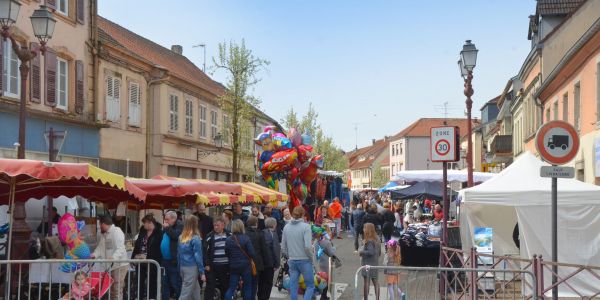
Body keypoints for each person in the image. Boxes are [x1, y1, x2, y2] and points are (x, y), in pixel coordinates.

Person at [282, 206, 315, 300]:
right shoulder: (306, 227)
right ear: (303, 215)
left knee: (293, 286)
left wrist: (289, 256)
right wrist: (311, 257)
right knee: (310, 286)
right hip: (305, 260)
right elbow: (308, 246)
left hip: (292, 259)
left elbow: (283, 247)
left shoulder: (286, 227)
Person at [92, 215, 128, 300]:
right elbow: (100, 248)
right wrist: (94, 255)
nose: (99, 227)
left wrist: (114, 257)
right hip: (111, 266)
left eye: (100, 224)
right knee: (112, 290)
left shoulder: (116, 231)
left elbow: (121, 247)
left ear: (103, 224)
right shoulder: (104, 235)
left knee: (116, 290)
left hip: (119, 265)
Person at [131, 214, 162, 300]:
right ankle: (139, 297)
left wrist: (147, 256)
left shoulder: (159, 233)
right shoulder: (142, 232)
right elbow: (137, 246)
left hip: (153, 262)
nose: (143, 225)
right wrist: (133, 257)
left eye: (144, 223)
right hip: (140, 262)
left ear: (150, 223)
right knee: (139, 281)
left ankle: (152, 297)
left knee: (152, 281)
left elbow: (158, 249)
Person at [224, 220, 255, 300]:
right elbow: (252, 253)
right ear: (242, 227)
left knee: (231, 288)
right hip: (245, 267)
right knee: (247, 287)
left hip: (233, 266)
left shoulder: (228, 239)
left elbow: (226, 253)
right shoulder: (246, 238)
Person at [177, 215, 206, 300]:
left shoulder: (180, 237)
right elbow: (198, 256)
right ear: (195, 224)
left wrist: (179, 268)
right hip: (192, 267)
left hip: (183, 267)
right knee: (185, 294)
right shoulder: (195, 238)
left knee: (195, 291)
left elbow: (178, 254)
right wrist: (202, 272)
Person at [204, 217, 231, 300]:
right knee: (210, 286)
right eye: (214, 225)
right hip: (213, 266)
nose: (215, 227)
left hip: (225, 266)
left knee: (225, 286)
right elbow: (204, 251)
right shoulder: (209, 236)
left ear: (223, 225)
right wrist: (207, 264)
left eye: (217, 225)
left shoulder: (229, 235)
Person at [246, 216, 271, 299]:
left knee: (247, 284)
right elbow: (264, 250)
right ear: (256, 223)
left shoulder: (244, 233)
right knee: (254, 284)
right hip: (257, 263)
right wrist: (268, 263)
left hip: (245, 262)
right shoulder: (260, 234)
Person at [161, 210, 183, 300]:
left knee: (175, 283)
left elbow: (175, 236)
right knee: (164, 283)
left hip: (173, 261)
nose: (165, 221)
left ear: (174, 218)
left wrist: (166, 228)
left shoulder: (180, 225)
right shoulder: (167, 227)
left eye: (167, 219)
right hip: (164, 260)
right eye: (165, 219)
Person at [260, 217, 280, 300]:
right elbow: (275, 250)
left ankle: (260, 297)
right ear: (274, 224)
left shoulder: (261, 233)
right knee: (268, 283)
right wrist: (277, 263)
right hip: (270, 262)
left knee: (261, 282)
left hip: (261, 262)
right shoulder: (273, 234)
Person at [313, 226, 336, 300]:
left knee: (319, 279)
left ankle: (317, 294)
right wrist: (334, 248)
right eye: (329, 232)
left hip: (319, 262)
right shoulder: (327, 242)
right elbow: (331, 253)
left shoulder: (316, 242)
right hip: (326, 263)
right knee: (325, 279)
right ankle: (323, 296)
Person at [359, 223, 381, 300]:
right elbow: (379, 252)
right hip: (375, 263)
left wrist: (361, 252)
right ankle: (377, 298)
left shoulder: (369, 240)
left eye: (364, 228)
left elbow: (370, 252)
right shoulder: (377, 238)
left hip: (367, 263)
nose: (363, 230)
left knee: (366, 282)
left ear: (368, 229)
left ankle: (366, 299)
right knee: (375, 281)